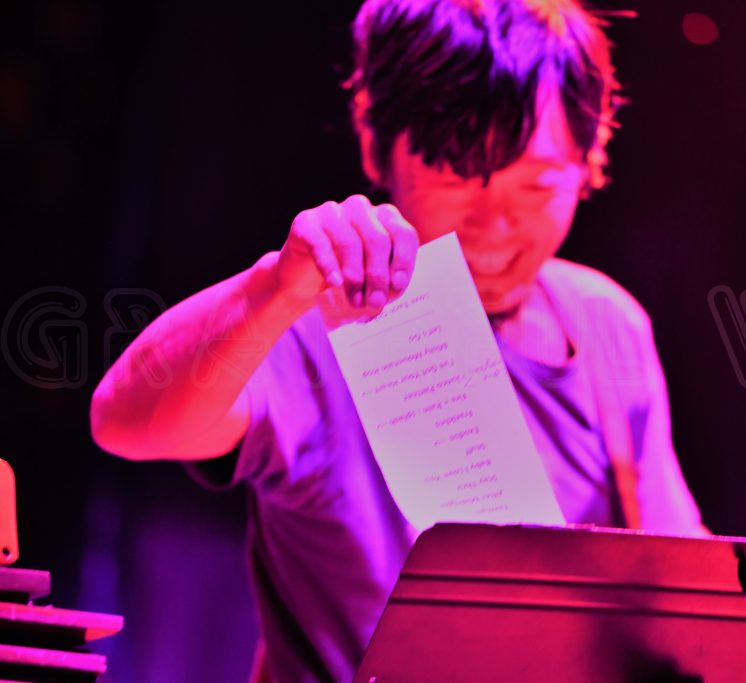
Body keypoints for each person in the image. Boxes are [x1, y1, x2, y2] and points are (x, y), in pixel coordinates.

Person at [91, 0, 706, 680]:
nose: (495, 222)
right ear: (375, 146)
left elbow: (687, 594)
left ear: (591, 161)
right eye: (454, 176)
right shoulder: (314, 322)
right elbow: (124, 420)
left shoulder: (605, 323)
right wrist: (272, 287)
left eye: (536, 184)